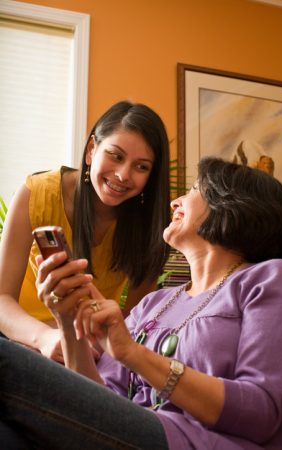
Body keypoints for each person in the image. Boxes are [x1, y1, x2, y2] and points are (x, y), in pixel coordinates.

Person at [1, 156, 282, 450]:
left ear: (231, 204)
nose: (175, 203)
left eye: (194, 190)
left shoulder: (268, 278)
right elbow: (95, 400)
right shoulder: (153, 303)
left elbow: (261, 411)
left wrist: (134, 354)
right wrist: (68, 320)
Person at [0, 100, 171, 363]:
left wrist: (87, 345)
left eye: (141, 167)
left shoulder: (150, 225)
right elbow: (1, 299)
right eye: (116, 156)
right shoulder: (38, 193)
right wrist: (46, 338)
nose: (124, 175)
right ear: (92, 149)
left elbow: (135, 320)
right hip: (21, 337)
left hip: (89, 350)